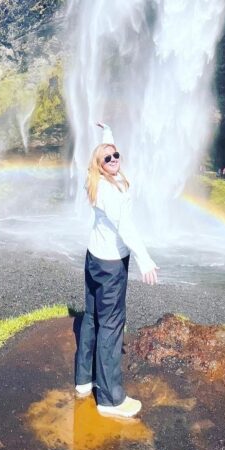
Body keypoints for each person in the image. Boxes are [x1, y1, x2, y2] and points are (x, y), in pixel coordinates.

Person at [74, 122, 159, 418]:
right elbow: (127, 228)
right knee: (111, 325)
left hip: (93, 257)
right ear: (99, 166)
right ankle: (110, 400)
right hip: (111, 265)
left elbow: (104, 157)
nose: (114, 160)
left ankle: (84, 381)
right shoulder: (111, 193)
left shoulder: (94, 180)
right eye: (108, 159)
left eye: (117, 155)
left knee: (92, 317)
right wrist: (144, 260)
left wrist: (107, 136)